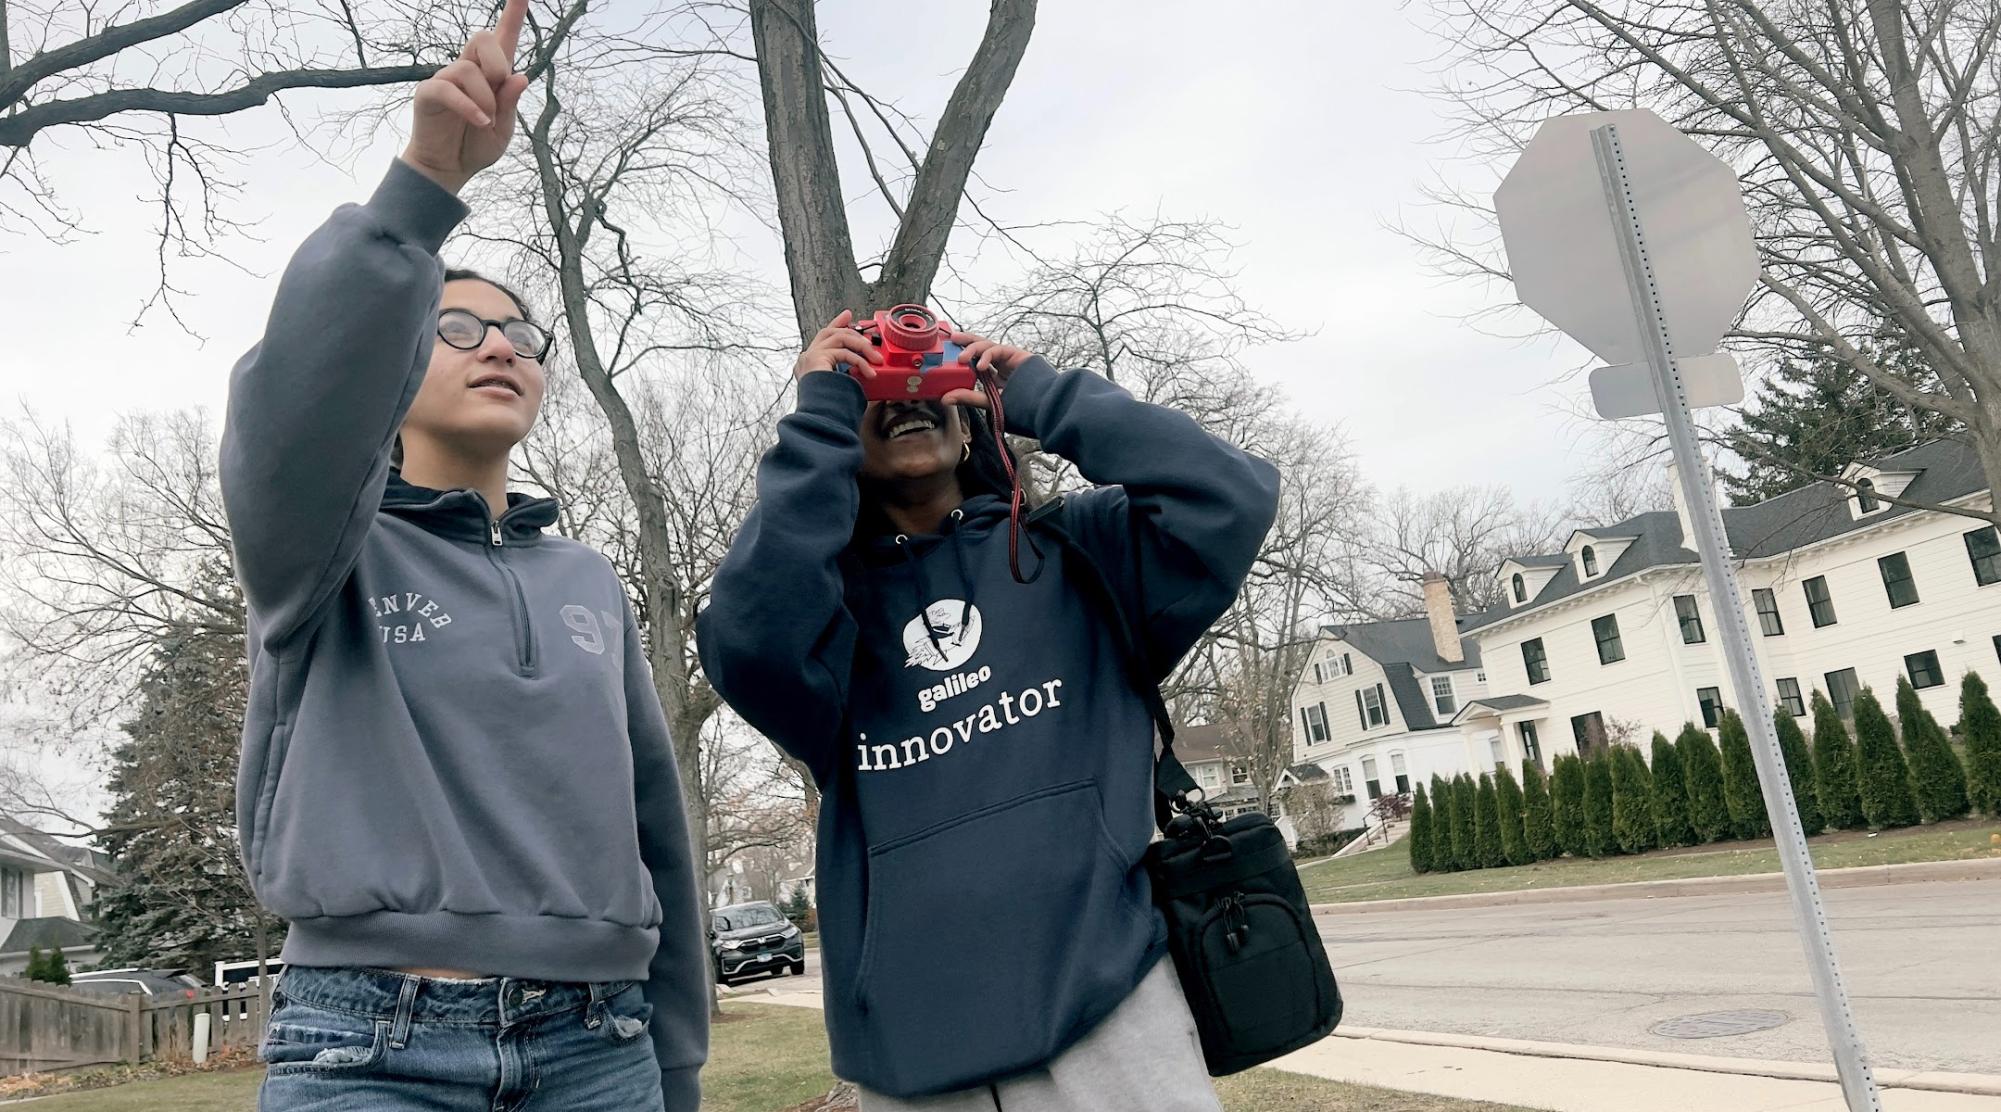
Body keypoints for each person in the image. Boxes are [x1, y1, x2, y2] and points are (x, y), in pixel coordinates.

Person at [219, 2, 706, 1107]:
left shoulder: (587, 581)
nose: (499, 344)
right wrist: (421, 189)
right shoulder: (320, 553)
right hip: (368, 1045)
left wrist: (674, 1059)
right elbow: (293, 409)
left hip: (600, 1043)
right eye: (456, 325)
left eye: (520, 335)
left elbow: (653, 824)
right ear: (394, 363)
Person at [697, 312, 1281, 1109]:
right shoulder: (823, 622)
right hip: (913, 1044)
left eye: (925, 379)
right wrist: (815, 419)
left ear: (973, 421)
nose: (903, 397)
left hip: (1111, 1011)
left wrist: (1040, 394)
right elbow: (745, 638)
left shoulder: (1083, 554)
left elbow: (1228, 494)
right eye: (869, 389)